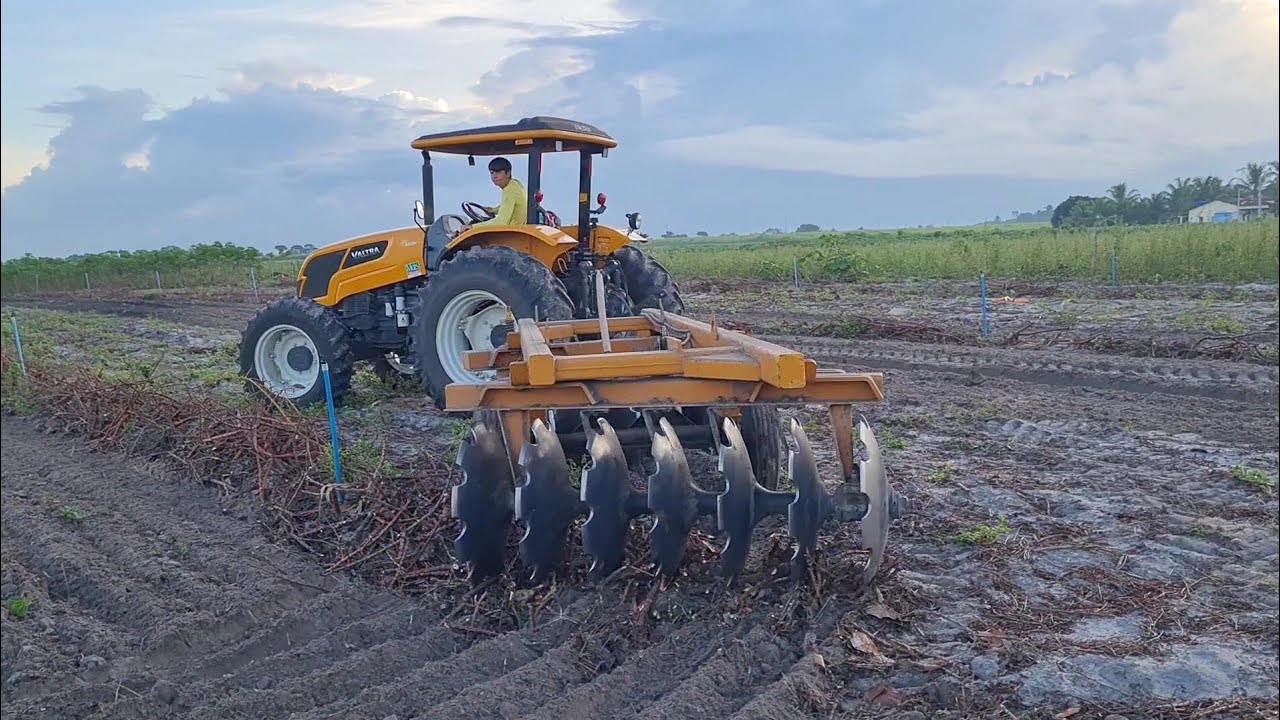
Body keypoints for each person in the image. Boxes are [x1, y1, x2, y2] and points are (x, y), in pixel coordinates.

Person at [471, 157, 527, 227]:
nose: (494, 176)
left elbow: (501, 221)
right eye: (492, 173)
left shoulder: (510, 190)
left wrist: (473, 227)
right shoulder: (515, 184)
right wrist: (494, 210)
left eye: (498, 172)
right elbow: (509, 203)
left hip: (514, 232)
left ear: (508, 173)